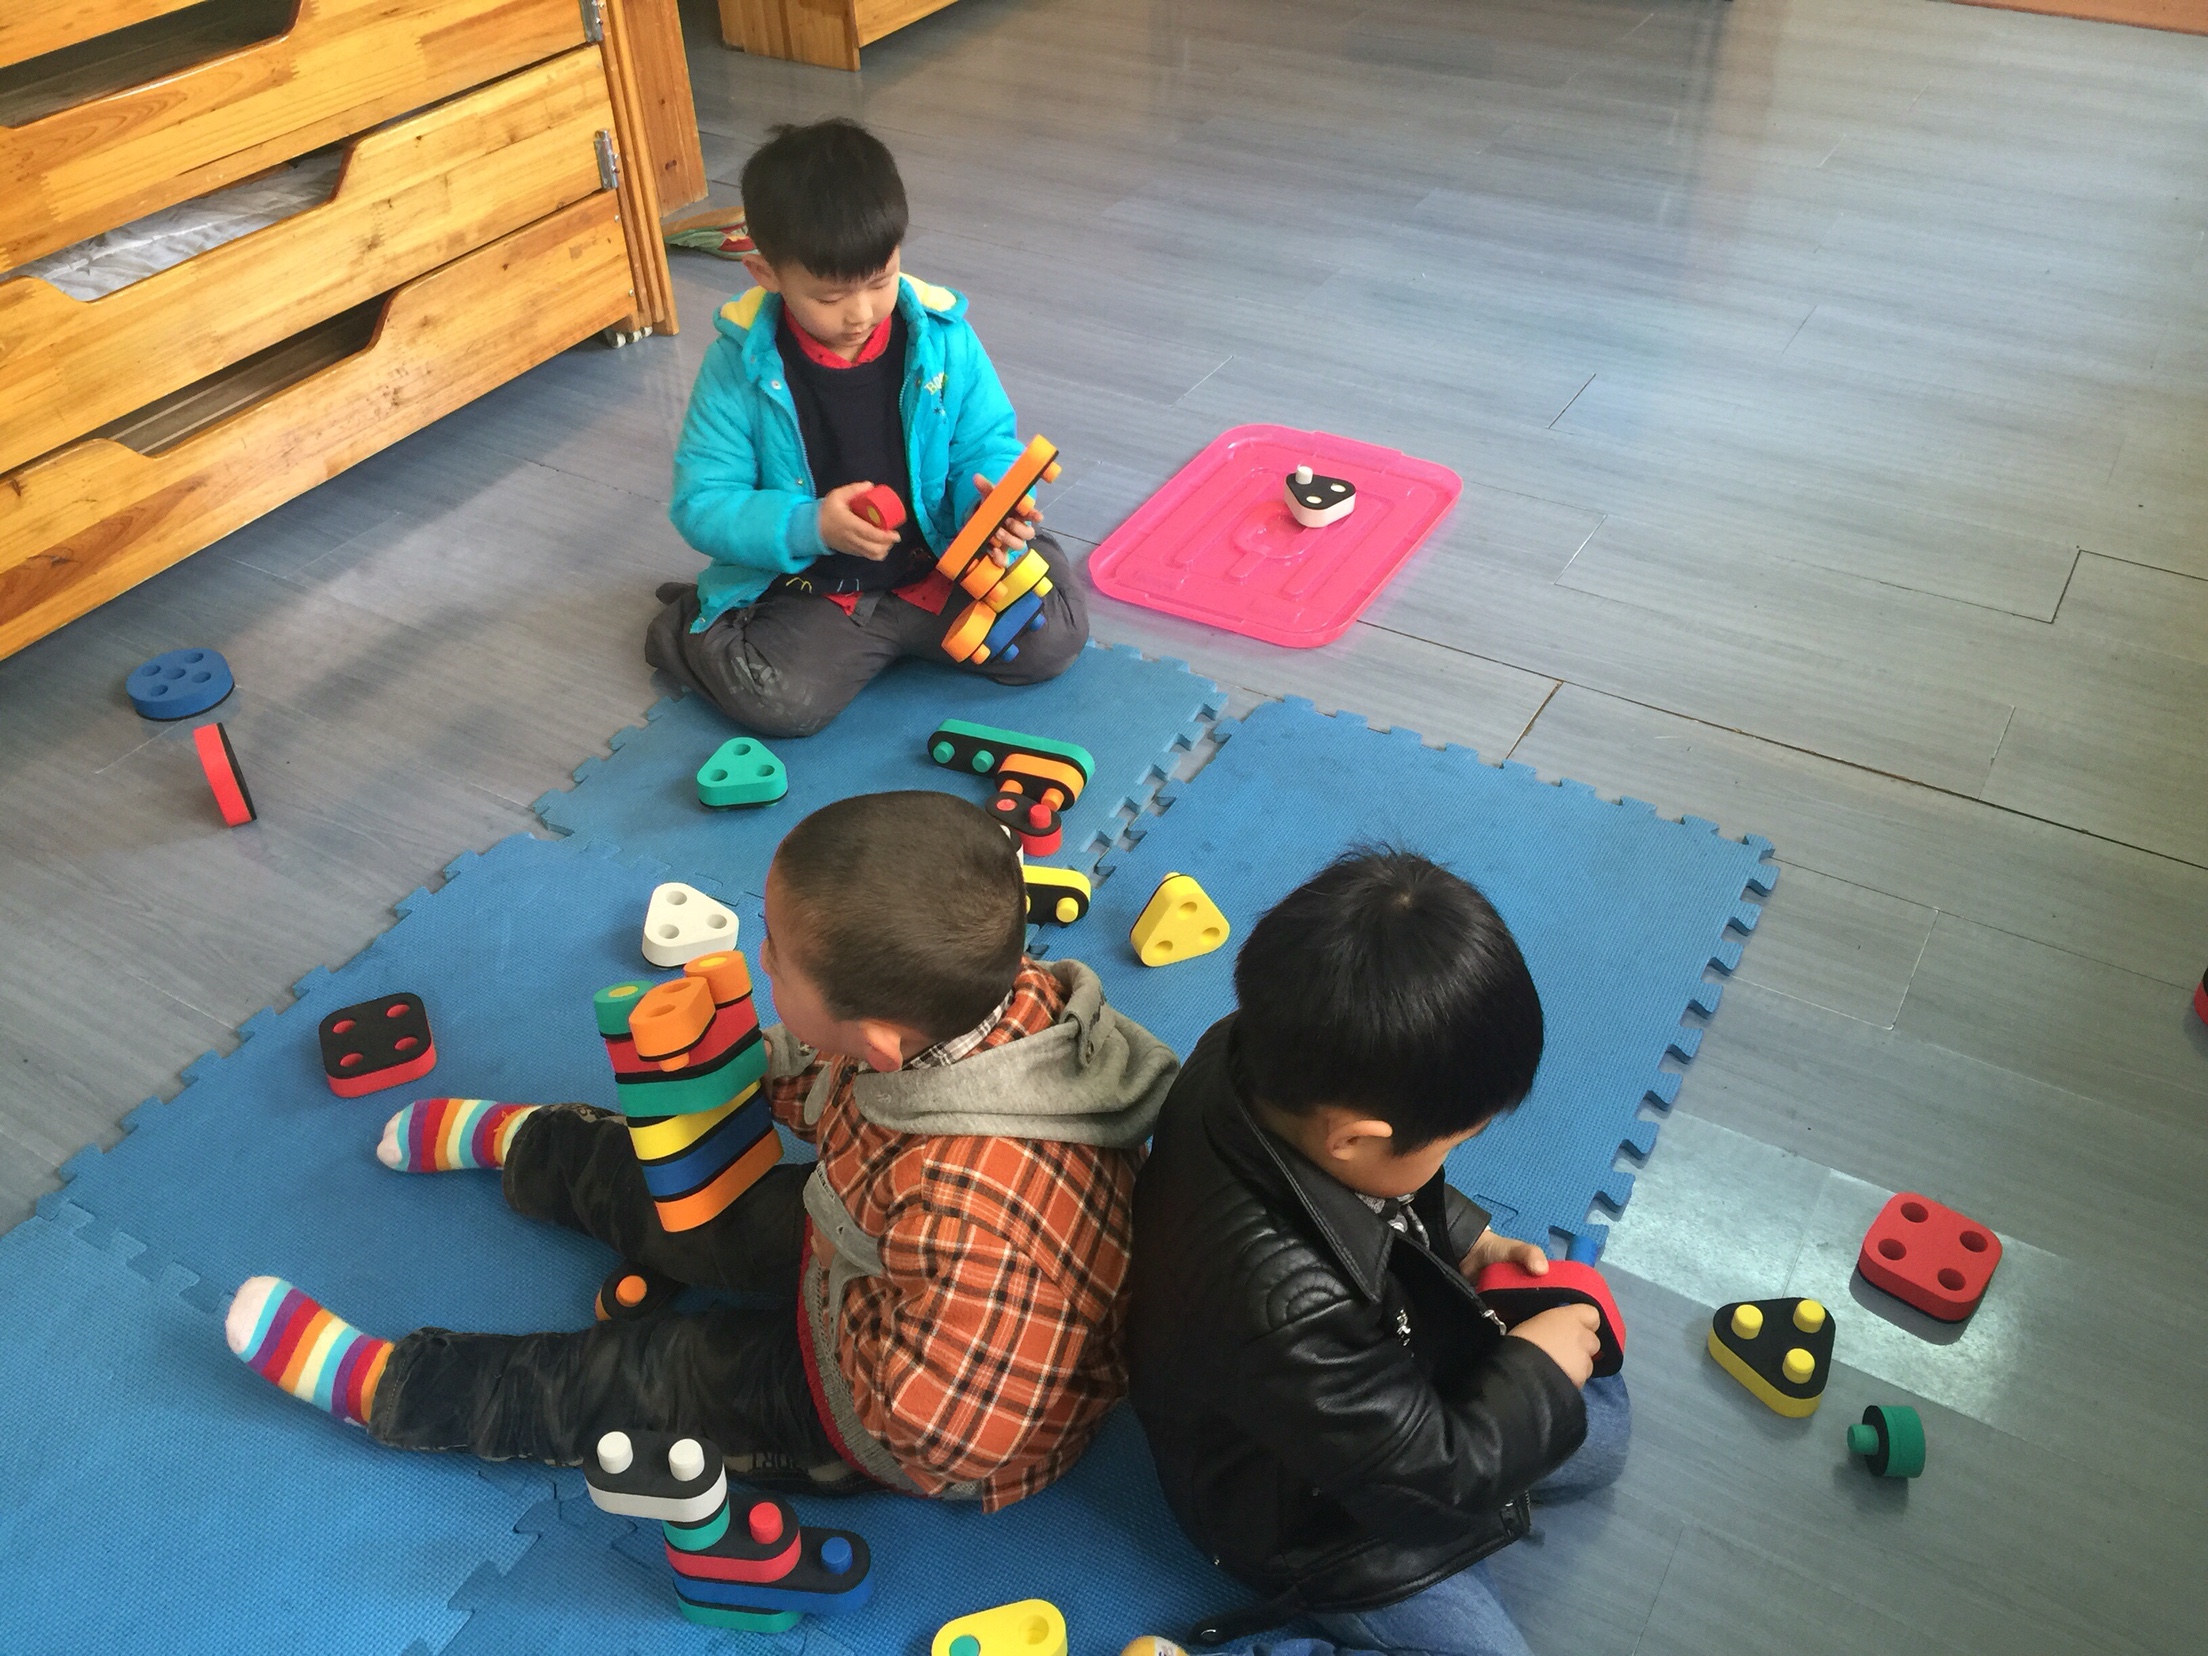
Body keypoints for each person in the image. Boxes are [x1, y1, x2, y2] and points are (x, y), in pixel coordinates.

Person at [223, 792, 1176, 1508]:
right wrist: (723, 1072)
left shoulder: (964, 1206)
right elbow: (834, 1079)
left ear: (879, 1040)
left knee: (649, 1376)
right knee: (694, 1185)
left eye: (777, 962)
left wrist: (831, 1349)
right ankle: (531, 1145)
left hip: (892, 1406)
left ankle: (401, 1389)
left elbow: (949, 1433)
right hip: (874, 1241)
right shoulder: (989, 998)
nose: (759, 963)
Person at [1120, 848, 1629, 1656]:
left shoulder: (1251, 1051)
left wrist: (1467, 1238)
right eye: (1455, 1142)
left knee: (1603, 1434)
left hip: (1355, 1380)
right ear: (1354, 1139)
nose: (1454, 1155)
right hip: (1306, 1521)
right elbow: (1424, 1492)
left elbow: (1384, 1194)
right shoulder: (1285, 1305)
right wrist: (1533, 1373)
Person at [645, 118, 1090, 738]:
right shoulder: (737, 368)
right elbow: (703, 504)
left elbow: (987, 442)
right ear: (765, 273)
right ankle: (687, 627)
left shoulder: (942, 339)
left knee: (1055, 636)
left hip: (939, 564)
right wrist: (811, 525)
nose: (859, 313)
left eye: (880, 281)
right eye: (829, 298)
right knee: (780, 703)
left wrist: (987, 509)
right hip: (822, 591)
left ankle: (904, 629)